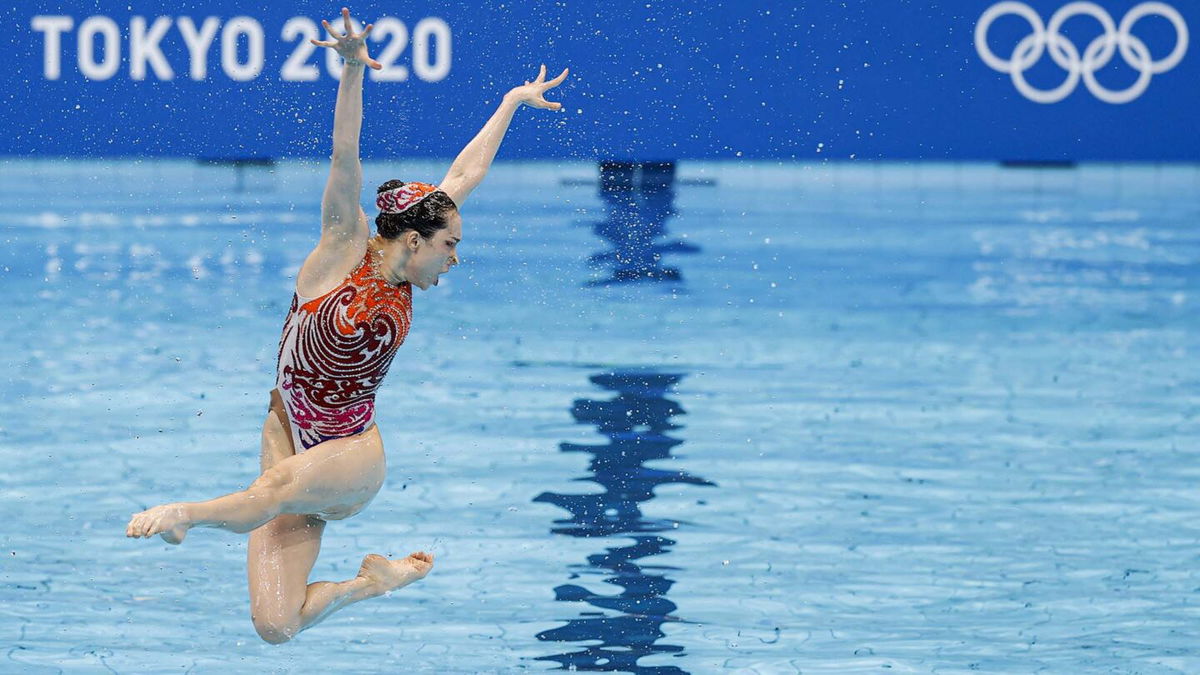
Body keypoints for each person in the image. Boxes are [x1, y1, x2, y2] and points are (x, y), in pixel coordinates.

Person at [124, 7, 569, 644]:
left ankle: (182, 516)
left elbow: (463, 175)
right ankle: (372, 584)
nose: (455, 259)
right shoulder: (341, 250)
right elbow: (344, 156)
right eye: (450, 246)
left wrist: (508, 104)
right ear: (413, 241)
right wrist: (353, 70)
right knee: (275, 624)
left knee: (274, 490)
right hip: (289, 430)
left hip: (351, 458)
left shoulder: (411, 263)